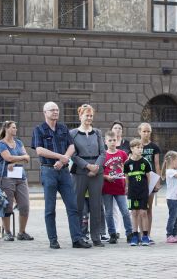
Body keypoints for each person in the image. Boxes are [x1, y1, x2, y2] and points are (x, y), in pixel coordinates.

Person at [32, 101, 91, 249]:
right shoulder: (39, 129)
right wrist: (60, 157)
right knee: (50, 208)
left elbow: (71, 146)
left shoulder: (63, 128)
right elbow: (39, 150)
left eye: (57, 110)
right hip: (48, 171)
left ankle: (77, 239)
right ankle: (53, 240)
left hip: (64, 172)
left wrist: (64, 159)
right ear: (45, 113)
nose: (55, 112)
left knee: (73, 206)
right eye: (52, 110)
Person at [69, 104, 106, 247]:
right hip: (80, 172)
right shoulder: (73, 134)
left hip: (97, 171)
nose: (89, 118)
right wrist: (87, 166)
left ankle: (96, 236)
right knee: (78, 205)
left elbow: (103, 152)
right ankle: (79, 236)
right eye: (86, 115)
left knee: (96, 205)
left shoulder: (97, 132)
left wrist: (96, 166)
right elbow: (73, 154)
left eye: (91, 115)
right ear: (80, 116)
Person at [0, 121, 33, 241]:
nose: (15, 129)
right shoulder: (1, 144)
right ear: (6, 129)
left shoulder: (19, 142)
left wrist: (16, 161)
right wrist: (21, 158)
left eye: (16, 127)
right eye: (13, 127)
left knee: (25, 205)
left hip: (20, 177)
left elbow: (27, 158)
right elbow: (8, 157)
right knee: (7, 206)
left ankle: (22, 232)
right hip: (6, 178)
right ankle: (7, 232)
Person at [102, 130, 133, 244]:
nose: (112, 142)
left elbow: (127, 171)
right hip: (107, 189)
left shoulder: (122, 154)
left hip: (120, 188)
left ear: (117, 140)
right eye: (110, 140)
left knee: (125, 211)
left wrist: (127, 186)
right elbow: (100, 172)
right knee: (109, 212)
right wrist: (106, 177)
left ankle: (129, 233)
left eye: (114, 140)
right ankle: (112, 234)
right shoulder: (103, 155)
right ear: (105, 141)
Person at [124, 138, 151, 246]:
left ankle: (145, 236)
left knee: (143, 213)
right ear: (131, 149)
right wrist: (127, 188)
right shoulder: (127, 163)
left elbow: (148, 177)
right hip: (132, 192)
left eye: (141, 148)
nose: (140, 150)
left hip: (143, 192)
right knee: (134, 213)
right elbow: (126, 178)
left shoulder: (145, 162)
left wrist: (146, 189)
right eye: (137, 147)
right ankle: (135, 236)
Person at [138, 122, 161, 242]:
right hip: (138, 179)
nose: (146, 133)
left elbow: (156, 164)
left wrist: (158, 181)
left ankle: (148, 235)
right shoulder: (136, 146)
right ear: (139, 132)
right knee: (139, 209)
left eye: (148, 131)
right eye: (144, 131)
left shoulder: (154, 147)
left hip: (150, 179)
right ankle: (141, 234)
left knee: (148, 208)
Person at [161, 150, 177, 243]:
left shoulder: (175, 170)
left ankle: (175, 234)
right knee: (173, 217)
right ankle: (169, 235)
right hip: (172, 198)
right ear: (172, 161)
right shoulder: (170, 171)